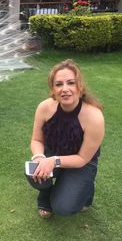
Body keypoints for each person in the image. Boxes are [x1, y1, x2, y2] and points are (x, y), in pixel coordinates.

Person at [26, 59, 104, 218]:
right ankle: (46, 193)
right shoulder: (44, 107)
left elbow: (82, 158)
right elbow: (37, 140)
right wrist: (40, 158)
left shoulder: (94, 117)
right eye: (59, 84)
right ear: (52, 89)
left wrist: (53, 161)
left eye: (71, 83)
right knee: (32, 172)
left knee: (63, 207)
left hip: (81, 163)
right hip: (52, 153)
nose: (65, 89)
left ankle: (85, 189)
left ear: (79, 86)